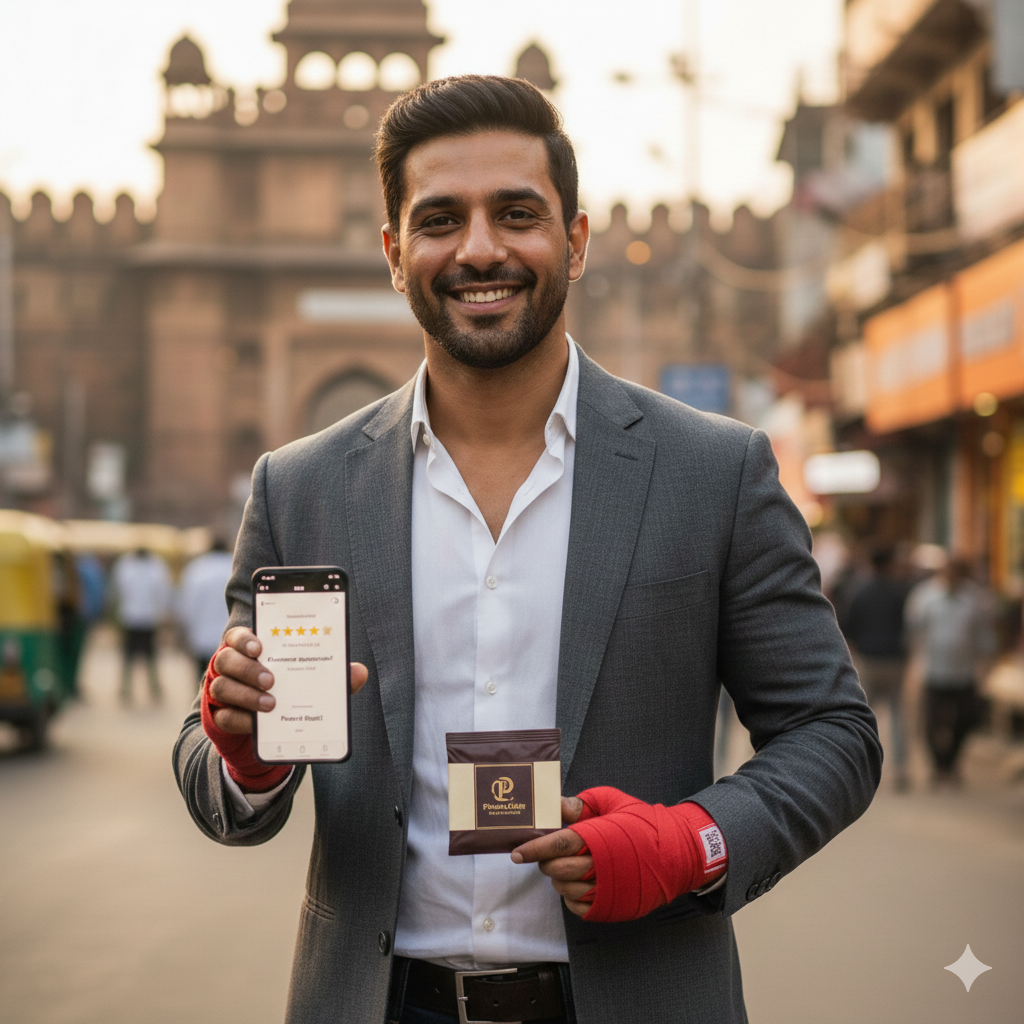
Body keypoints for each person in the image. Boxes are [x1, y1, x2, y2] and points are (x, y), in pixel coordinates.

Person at [174, 76, 880, 1024]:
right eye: (439, 220)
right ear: (394, 253)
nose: (478, 250)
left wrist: (692, 842)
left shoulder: (711, 474)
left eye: (516, 214)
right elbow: (217, 756)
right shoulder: (304, 487)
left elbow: (833, 735)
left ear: (575, 240)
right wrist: (246, 759)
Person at [906, 554, 996, 785]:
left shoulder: (975, 599)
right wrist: (915, 666)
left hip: (964, 672)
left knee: (965, 719)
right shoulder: (925, 597)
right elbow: (914, 632)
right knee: (931, 723)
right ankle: (939, 766)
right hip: (933, 670)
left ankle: (951, 762)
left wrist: (985, 668)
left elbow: (985, 636)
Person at [844, 546, 912, 791]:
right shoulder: (900, 592)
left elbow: (848, 627)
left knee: (864, 716)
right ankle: (901, 769)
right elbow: (908, 627)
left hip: (868, 659)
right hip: (895, 660)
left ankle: (857, 769)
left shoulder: (860, 592)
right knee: (897, 714)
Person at [111, 547, 171, 705]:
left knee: (129, 656)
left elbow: (117, 591)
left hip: (130, 617)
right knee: (150, 656)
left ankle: (126, 689)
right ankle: (154, 688)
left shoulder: (125, 566)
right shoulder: (157, 567)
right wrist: (163, 613)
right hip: (149, 618)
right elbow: (164, 592)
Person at [176, 539, 234, 686]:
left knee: (203, 684)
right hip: (231, 640)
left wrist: (185, 632)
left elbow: (188, 606)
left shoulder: (196, 569)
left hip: (201, 637)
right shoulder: (234, 567)